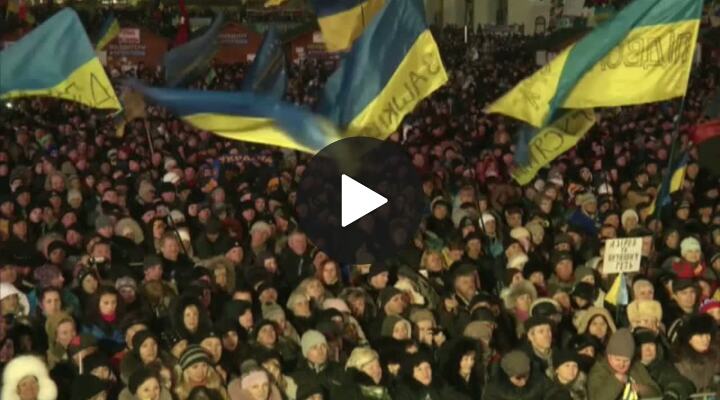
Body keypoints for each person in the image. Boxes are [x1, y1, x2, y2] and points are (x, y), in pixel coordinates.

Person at [587, 328, 660, 400]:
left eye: (626, 361)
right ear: (609, 356)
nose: (621, 364)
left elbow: (657, 392)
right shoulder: (599, 371)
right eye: (617, 360)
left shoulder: (636, 366)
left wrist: (639, 388)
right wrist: (616, 381)